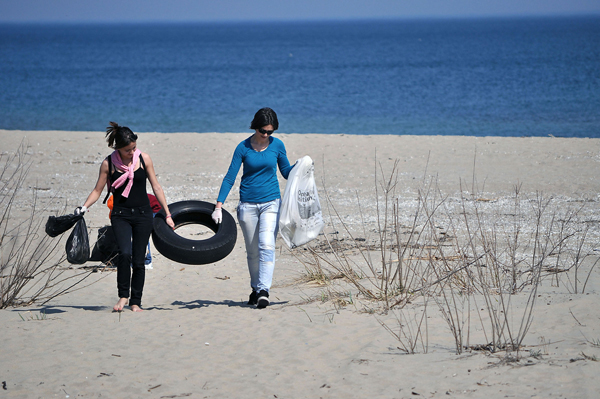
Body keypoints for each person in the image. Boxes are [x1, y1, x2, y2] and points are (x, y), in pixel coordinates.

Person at [76, 122, 175, 312]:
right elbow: (97, 190)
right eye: (128, 150)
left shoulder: (144, 159)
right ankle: (123, 297)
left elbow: (156, 187)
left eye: (134, 148)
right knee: (124, 254)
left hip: (143, 214)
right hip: (120, 215)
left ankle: (135, 301)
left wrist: (168, 214)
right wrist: (84, 207)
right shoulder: (108, 163)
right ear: (118, 148)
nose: (132, 152)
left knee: (139, 260)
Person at [212, 108, 294, 309]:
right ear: (254, 126)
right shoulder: (243, 147)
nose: (266, 135)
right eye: (262, 131)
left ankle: (264, 290)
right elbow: (230, 177)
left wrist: (301, 169)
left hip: (271, 202)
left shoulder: (278, 146)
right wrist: (218, 205)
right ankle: (256, 289)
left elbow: (286, 172)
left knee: (266, 245)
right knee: (252, 251)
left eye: (270, 132)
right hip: (247, 204)